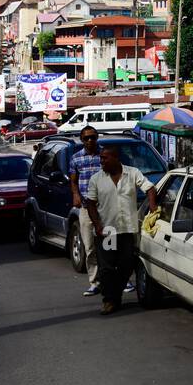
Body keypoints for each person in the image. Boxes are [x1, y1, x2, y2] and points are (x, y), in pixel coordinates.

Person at [83, 144, 157, 315]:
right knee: (107, 267)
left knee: (126, 265)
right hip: (108, 230)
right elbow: (91, 204)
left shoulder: (132, 173)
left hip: (127, 230)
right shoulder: (97, 179)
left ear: (116, 158)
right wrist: (98, 225)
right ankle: (109, 300)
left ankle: (115, 296)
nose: (101, 161)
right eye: (100, 158)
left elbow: (150, 188)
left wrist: (152, 207)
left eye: (104, 158)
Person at [69, 126, 104, 297]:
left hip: (105, 208)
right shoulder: (76, 159)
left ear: (97, 138)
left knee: (109, 246)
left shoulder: (104, 156)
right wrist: (75, 195)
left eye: (93, 137)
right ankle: (95, 282)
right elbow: (74, 181)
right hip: (85, 209)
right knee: (89, 247)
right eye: (86, 138)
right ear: (82, 140)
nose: (90, 141)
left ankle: (116, 279)